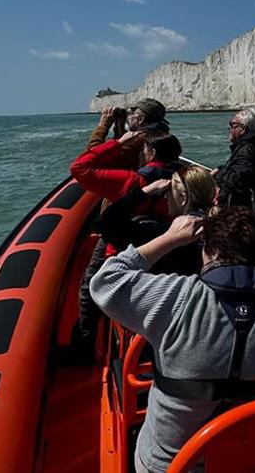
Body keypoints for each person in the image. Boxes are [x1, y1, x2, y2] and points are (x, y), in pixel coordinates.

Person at [91, 207, 255, 473]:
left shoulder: (177, 297)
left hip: (172, 464)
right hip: (254, 459)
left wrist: (169, 238)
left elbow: (105, 282)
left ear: (210, 252)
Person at [69, 131, 183, 358]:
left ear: (151, 153)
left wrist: (117, 143)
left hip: (123, 253)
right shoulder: (183, 181)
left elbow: (79, 168)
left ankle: (87, 344)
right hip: (168, 254)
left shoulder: (131, 181)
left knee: (88, 287)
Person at [81, 99, 170, 176]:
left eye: (130, 114)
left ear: (140, 119)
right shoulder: (158, 136)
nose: (128, 117)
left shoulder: (138, 140)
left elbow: (90, 158)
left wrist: (103, 126)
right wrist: (120, 127)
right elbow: (124, 152)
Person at [214, 107, 255, 209]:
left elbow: (237, 180)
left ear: (242, 128)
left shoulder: (247, 149)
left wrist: (218, 177)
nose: (229, 128)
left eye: (232, 124)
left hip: (240, 211)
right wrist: (221, 168)